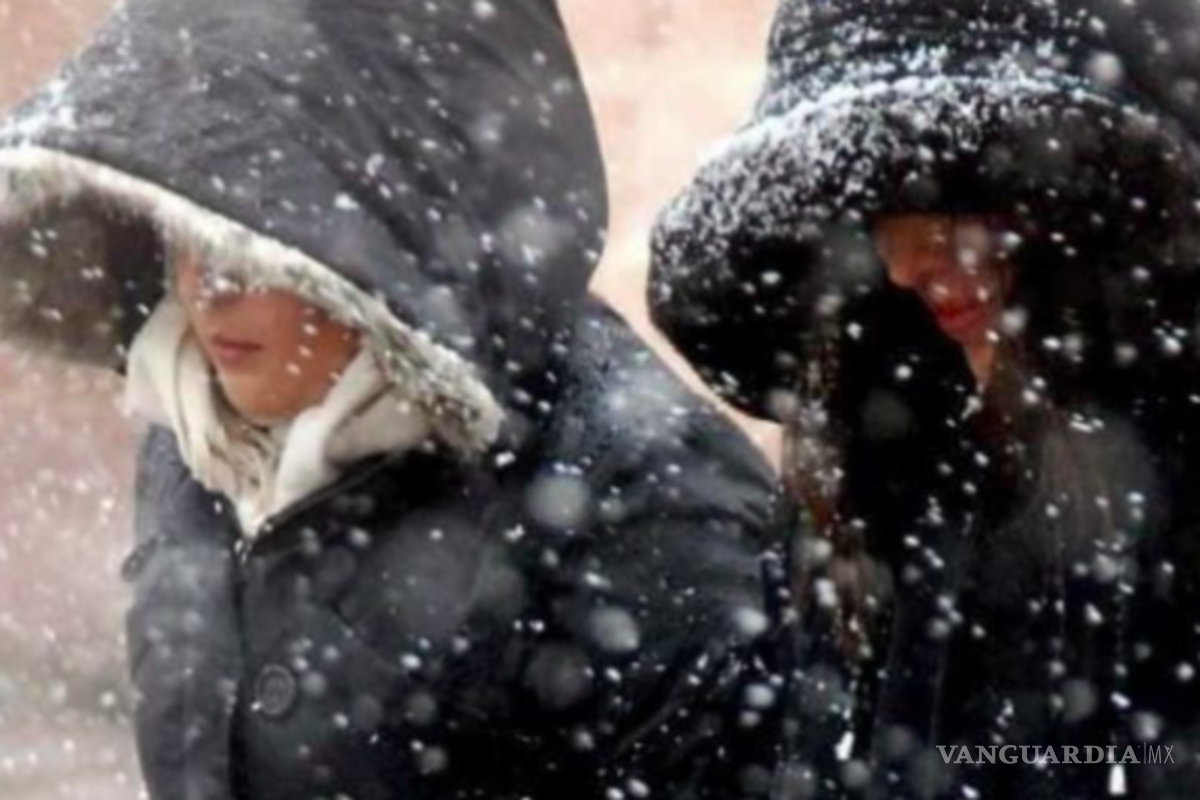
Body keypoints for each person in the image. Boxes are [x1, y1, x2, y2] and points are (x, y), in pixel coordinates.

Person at [0, 1, 780, 798]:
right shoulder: (202, 423)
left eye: (256, 229)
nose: (207, 288)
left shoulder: (645, 510)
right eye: (186, 220)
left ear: (399, 215)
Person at [649, 0, 1200, 797]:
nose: (907, 263)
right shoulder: (876, 493)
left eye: (950, 202)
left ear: (1083, 211)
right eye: (878, 214)